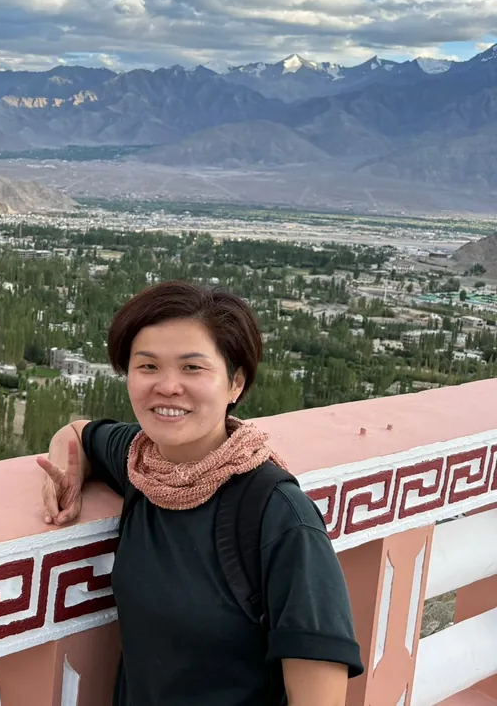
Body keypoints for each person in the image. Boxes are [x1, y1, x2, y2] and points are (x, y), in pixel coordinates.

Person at [38, 281, 363, 705]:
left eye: (193, 368)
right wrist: (66, 475)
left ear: (235, 383)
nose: (168, 386)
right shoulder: (144, 462)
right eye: (148, 366)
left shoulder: (278, 518)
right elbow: (77, 431)